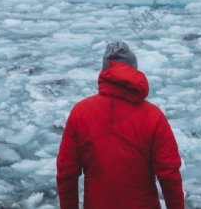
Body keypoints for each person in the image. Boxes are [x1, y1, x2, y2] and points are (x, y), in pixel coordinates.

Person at [56, 40, 184, 208]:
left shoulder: (81, 113)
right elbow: (169, 175)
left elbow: (66, 173)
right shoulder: (153, 117)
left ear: (104, 71)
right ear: (134, 69)